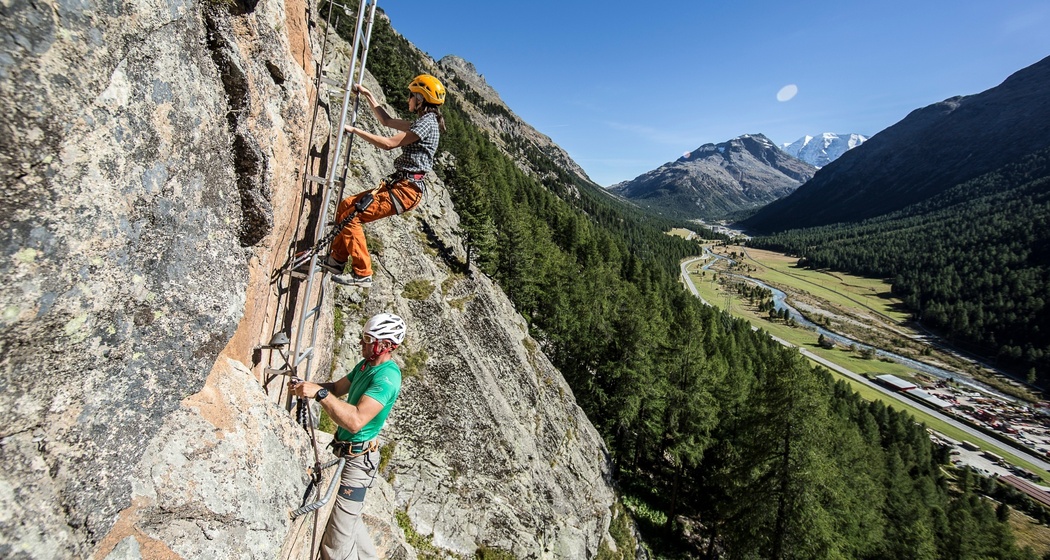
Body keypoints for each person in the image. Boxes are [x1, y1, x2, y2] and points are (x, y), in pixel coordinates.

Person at [289, 312, 407, 560]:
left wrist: (320, 395)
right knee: (347, 521)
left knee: (336, 541)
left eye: (367, 338)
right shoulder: (365, 365)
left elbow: (355, 421)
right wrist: (309, 386)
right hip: (347, 453)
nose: (362, 343)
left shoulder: (386, 378)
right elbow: (337, 388)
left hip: (357, 462)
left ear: (385, 345)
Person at [320, 74, 446, 287]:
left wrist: (354, 130)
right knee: (347, 206)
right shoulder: (425, 122)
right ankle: (336, 260)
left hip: (407, 189)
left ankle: (363, 273)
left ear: (421, 99)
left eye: (411, 96)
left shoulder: (426, 124)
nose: (408, 100)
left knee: (352, 217)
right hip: (402, 186)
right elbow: (386, 121)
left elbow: (389, 144)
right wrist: (369, 95)